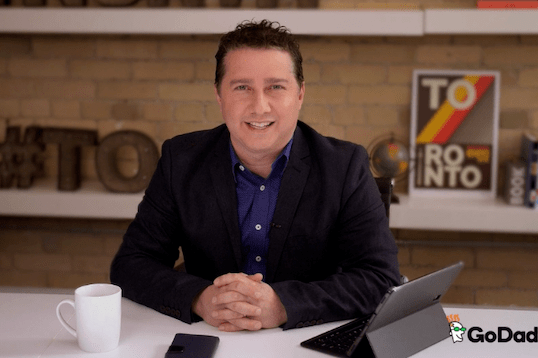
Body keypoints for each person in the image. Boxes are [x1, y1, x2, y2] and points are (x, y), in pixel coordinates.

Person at [110, 19, 400, 332]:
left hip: (306, 342)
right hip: (212, 337)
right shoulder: (180, 160)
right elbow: (131, 263)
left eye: (276, 87)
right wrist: (199, 298)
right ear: (220, 96)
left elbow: (380, 278)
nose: (259, 106)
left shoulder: (345, 166)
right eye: (242, 87)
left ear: (299, 94)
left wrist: (283, 305)